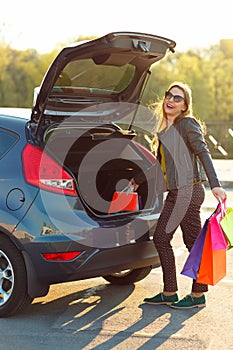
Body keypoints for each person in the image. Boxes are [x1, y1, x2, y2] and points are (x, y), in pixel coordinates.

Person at [131, 81, 227, 309]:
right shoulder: (165, 131)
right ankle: (170, 291)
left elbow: (203, 152)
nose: (171, 100)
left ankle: (198, 294)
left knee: (192, 242)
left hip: (189, 191)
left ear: (185, 106)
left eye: (177, 98)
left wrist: (215, 184)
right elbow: (158, 164)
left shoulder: (187, 124)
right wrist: (138, 179)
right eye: (169, 95)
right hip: (176, 194)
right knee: (163, 239)